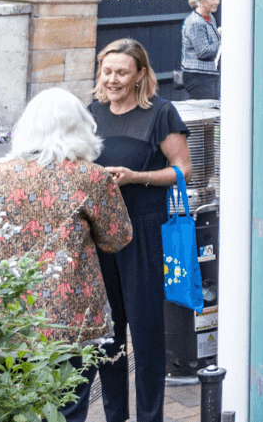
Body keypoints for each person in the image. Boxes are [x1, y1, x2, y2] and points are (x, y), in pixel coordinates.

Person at [0, 88, 132, 422]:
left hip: (8, 319)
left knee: (13, 408)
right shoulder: (92, 177)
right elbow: (117, 238)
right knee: (67, 410)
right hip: (73, 323)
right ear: (80, 127)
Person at [87, 38, 192, 422]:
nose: (112, 79)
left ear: (140, 75)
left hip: (144, 232)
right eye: (107, 70)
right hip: (99, 235)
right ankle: (115, 416)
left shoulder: (160, 113)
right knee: (107, 335)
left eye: (122, 72)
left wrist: (136, 177)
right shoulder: (92, 112)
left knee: (147, 336)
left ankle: (151, 417)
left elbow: (182, 169)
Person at [180, 0, 222, 99]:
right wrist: (224, 44)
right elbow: (203, 51)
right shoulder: (196, 22)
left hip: (208, 76)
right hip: (197, 77)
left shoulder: (210, 18)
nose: (217, 2)